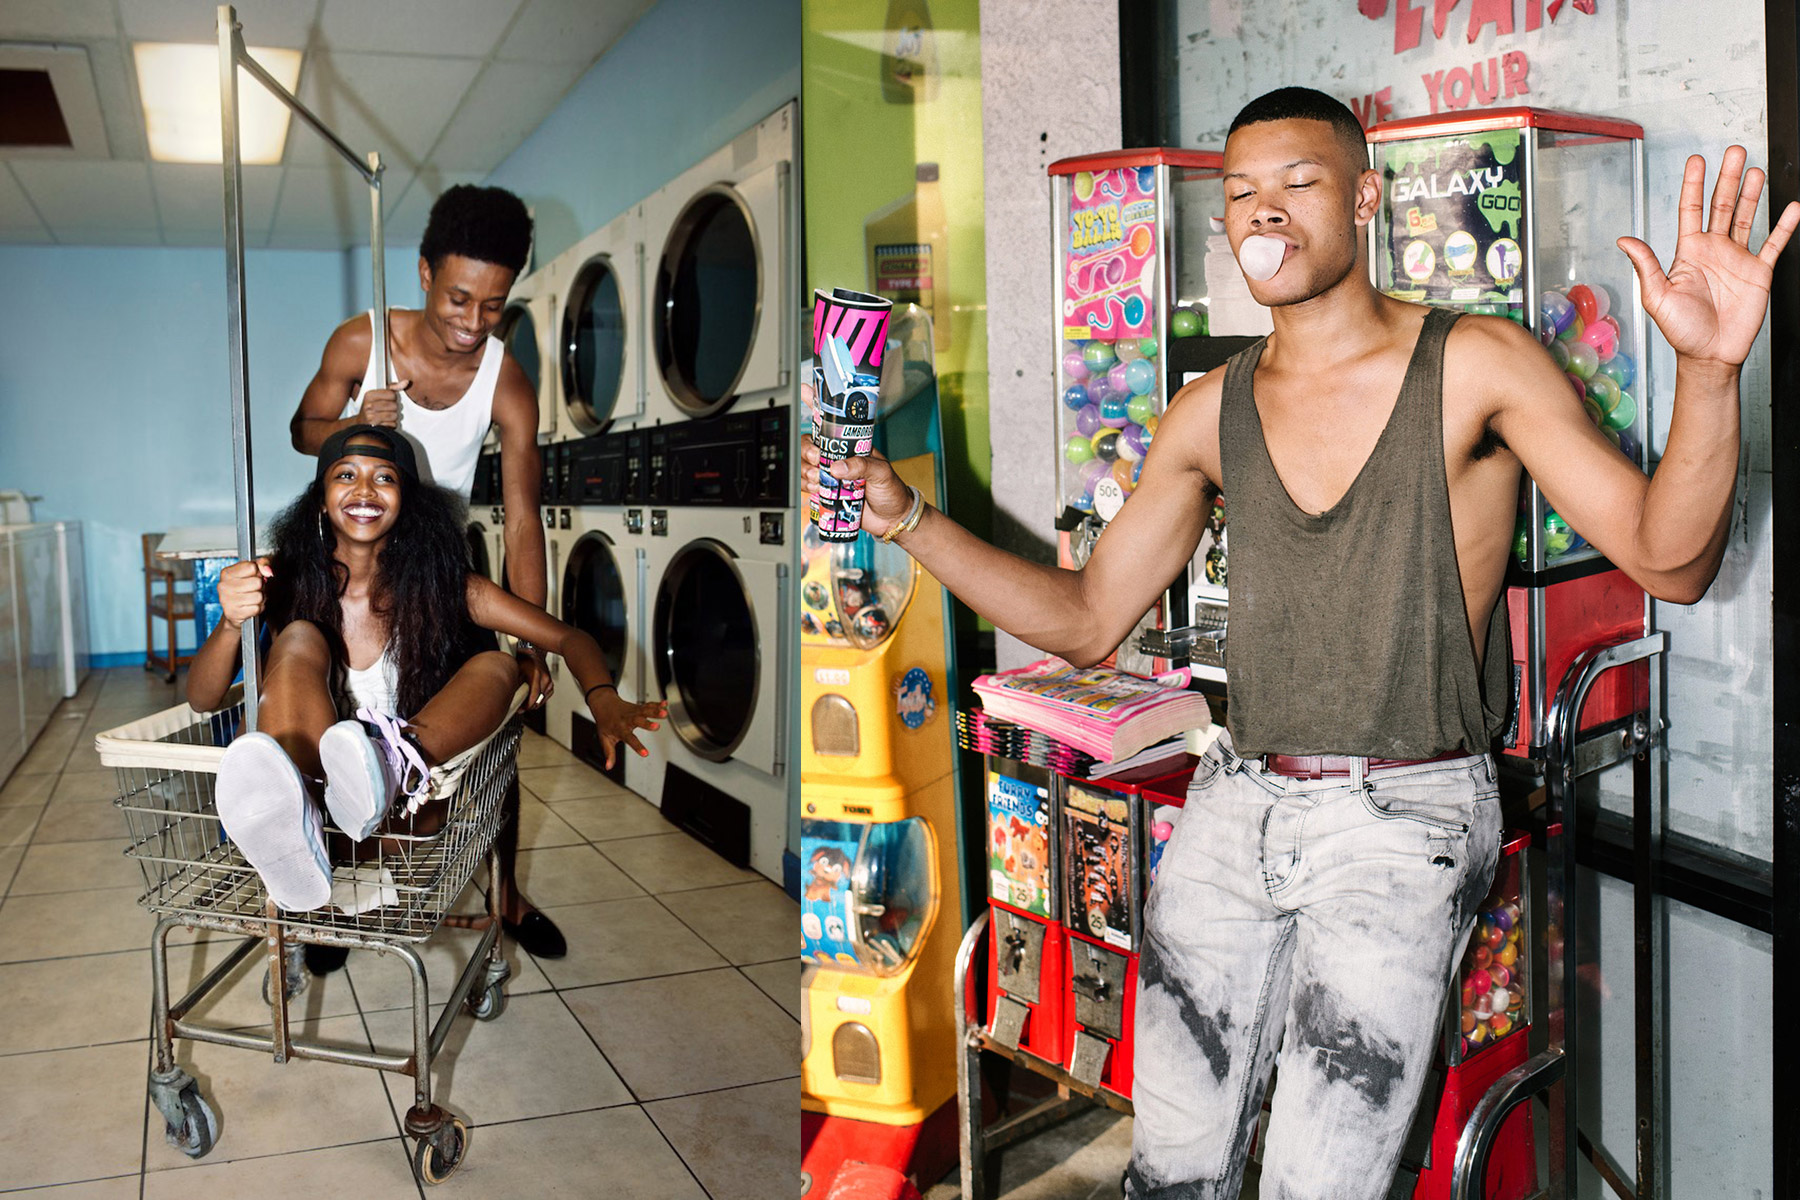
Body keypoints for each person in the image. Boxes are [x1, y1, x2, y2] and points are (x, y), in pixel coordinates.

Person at [801, 87, 1796, 1198]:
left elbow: (1674, 560)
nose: (1262, 213)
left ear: (1366, 198)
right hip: (1235, 809)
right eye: (1240, 194)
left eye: (1297, 183)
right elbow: (1086, 619)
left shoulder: (1476, 364)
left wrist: (1710, 373)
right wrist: (905, 520)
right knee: (1171, 1173)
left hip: (1403, 820)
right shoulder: (1207, 410)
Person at [188, 426, 664, 913]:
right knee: (297, 638)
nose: (365, 490)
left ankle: (388, 765)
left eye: (385, 478)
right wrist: (230, 622)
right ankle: (300, 824)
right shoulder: (281, 581)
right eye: (346, 475)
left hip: (402, 811)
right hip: (313, 801)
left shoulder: (448, 586)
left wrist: (602, 696)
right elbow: (202, 698)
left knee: (498, 664)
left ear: (408, 503)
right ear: (321, 500)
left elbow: (567, 637)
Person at [288, 183, 567, 957]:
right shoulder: (360, 343)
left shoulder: (506, 379)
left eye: (493, 304)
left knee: (486, 737)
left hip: (443, 567)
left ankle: (507, 895)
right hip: (356, 560)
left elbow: (522, 516)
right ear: (422, 273)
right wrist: (353, 421)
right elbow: (299, 432)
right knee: (339, 726)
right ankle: (340, 881)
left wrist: (532, 643)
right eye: (458, 298)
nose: (473, 322)